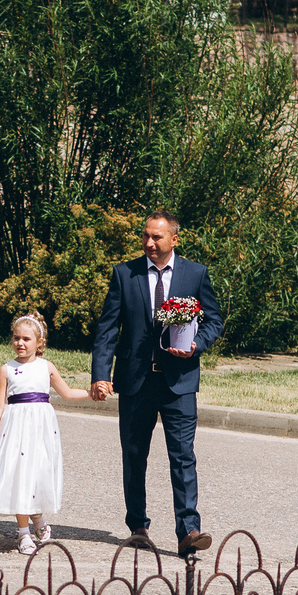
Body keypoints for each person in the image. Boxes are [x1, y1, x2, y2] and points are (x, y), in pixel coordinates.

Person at [89, 212, 223, 554]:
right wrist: (101, 375)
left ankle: (189, 531)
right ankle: (137, 527)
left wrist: (197, 344)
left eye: (157, 238)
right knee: (134, 456)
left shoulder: (195, 274)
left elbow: (214, 320)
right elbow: (107, 329)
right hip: (135, 382)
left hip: (179, 382)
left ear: (174, 239)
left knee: (183, 456)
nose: (149, 243)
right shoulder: (125, 274)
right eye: (146, 236)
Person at [0, 313, 90, 552]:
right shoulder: (6, 370)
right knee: (20, 476)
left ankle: (37, 516)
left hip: (41, 430)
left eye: (26, 339)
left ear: (39, 343)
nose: (20, 343)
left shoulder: (46, 367)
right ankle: (23, 533)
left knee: (37, 475)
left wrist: (92, 392)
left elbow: (68, 393)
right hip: (16, 430)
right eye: (16, 338)